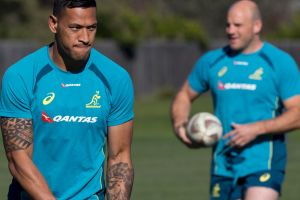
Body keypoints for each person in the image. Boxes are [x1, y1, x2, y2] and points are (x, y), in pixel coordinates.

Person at [0, 0, 134, 199]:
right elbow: (18, 160)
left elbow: (120, 158)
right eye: (75, 28)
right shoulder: (21, 76)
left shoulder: (115, 78)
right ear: (54, 24)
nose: (85, 38)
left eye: (92, 28)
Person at [171, 0, 300, 199]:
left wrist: (257, 129)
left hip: (264, 162)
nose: (230, 30)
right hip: (223, 164)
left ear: (257, 26)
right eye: (228, 24)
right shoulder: (212, 61)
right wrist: (180, 125)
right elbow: (184, 95)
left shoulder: (279, 62)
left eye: (237, 25)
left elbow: (298, 113)